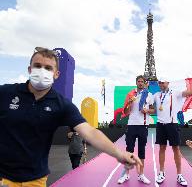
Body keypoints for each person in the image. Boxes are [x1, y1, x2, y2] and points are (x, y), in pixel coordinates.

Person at [0, 47, 141, 187]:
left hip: (36, 180)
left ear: (56, 74)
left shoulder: (61, 104)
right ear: (30, 69)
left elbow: (90, 132)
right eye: (37, 66)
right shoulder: (6, 93)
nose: (42, 71)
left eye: (48, 68)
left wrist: (120, 154)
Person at [154, 74, 192, 186]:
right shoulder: (156, 95)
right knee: (162, 148)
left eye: (163, 82)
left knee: (176, 149)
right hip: (160, 125)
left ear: (168, 83)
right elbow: (147, 104)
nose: (161, 84)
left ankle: (179, 175)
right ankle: (161, 173)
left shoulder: (175, 93)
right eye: (159, 82)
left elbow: (190, 93)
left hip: (172, 124)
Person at [117, 75, 154, 185]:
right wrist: (129, 103)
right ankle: (126, 174)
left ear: (144, 83)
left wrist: (146, 110)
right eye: (139, 81)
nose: (140, 83)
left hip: (143, 126)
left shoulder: (149, 95)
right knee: (129, 151)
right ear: (136, 83)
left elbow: (153, 109)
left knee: (141, 151)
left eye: (142, 81)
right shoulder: (130, 94)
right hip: (132, 125)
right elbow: (126, 111)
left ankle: (141, 175)